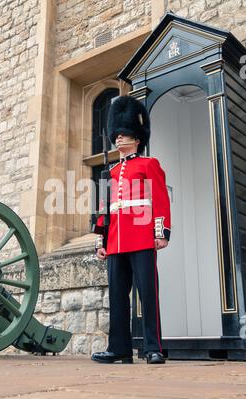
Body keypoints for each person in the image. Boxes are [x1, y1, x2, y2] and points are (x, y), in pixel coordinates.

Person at [92, 96, 171, 365]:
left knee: (147, 293)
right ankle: (119, 348)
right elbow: (105, 209)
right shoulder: (111, 172)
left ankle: (152, 347)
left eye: (125, 134)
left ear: (137, 138)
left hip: (141, 236)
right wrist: (101, 241)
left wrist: (160, 232)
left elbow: (159, 200)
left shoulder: (149, 165)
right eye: (118, 135)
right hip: (115, 240)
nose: (119, 139)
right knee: (117, 296)